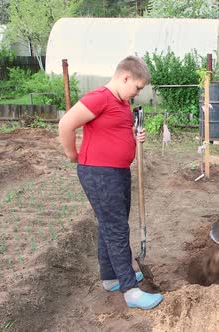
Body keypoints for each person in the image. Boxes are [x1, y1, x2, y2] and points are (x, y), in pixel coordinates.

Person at [58, 55, 163, 309]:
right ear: (125, 77)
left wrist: (134, 135)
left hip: (117, 172)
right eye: (137, 87)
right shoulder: (100, 97)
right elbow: (66, 124)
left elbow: (114, 130)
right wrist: (73, 155)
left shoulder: (121, 102)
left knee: (111, 225)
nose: (137, 92)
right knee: (116, 229)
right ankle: (130, 290)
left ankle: (110, 277)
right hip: (99, 174)